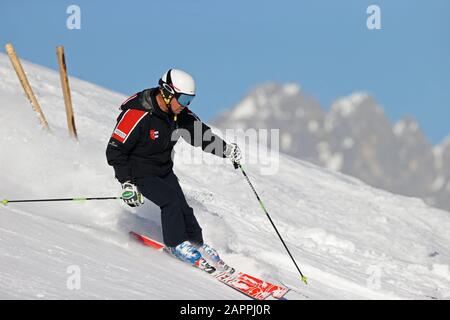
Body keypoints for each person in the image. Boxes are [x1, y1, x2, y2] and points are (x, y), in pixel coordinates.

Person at [106, 68, 241, 267]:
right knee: (170, 202)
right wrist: (127, 183)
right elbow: (115, 150)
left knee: (183, 208)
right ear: (168, 93)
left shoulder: (179, 114)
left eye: (190, 100)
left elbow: (201, 135)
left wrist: (226, 150)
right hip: (139, 172)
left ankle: (197, 244)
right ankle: (176, 244)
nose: (186, 105)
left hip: (163, 169)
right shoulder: (137, 113)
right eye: (184, 99)